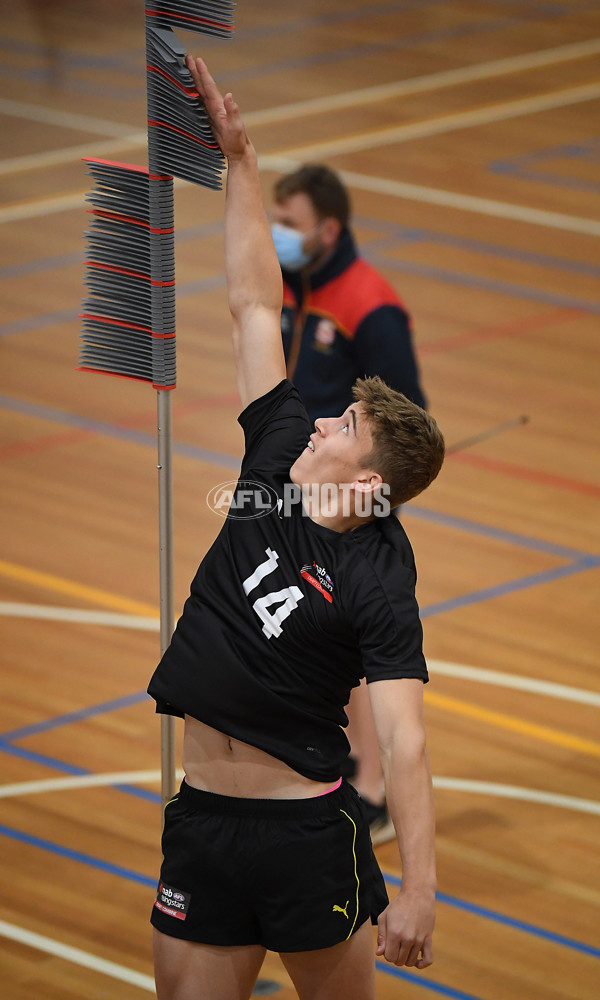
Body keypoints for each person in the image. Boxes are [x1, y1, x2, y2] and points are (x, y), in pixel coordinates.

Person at [147, 55, 444, 1000]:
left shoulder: (378, 581)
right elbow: (249, 303)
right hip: (199, 820)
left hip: (305, 839)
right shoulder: (275, 451)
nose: (321, 419)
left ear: (367, 485)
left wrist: (421, 890)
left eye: (344, 427)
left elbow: (403, 746)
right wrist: (240, 161)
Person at [271, 164, 428, 843]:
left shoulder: (371, 304)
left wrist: (365, 506)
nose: (280, 234)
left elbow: (405, 418)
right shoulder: (293, 286)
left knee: (349, 641)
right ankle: (346, 763)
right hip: (298, 483)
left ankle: (372, 790)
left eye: (291, 223)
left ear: (328, 228)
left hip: (349, 504)